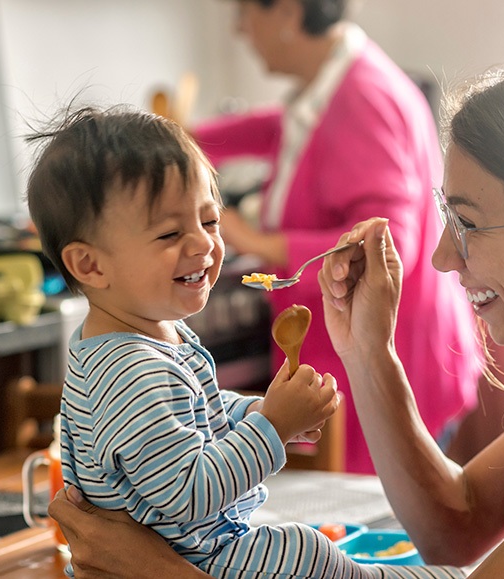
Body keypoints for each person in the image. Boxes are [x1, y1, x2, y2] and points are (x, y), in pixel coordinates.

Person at [49, 53, 504, 577]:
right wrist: (366, 349)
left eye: (466, 224)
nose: (442, 256)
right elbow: (455, 522)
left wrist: (154, 569)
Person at [25, 104, 463, 578]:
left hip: (187, 559)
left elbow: (197, 413)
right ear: (90, 266)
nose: (204, 245)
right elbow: (187, 495)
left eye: (210, 221)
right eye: (171, 232)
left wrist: (256, 412)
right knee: (304, 552)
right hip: (188, 561)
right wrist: (272, 426)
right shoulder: (131, 369)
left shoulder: (149, 338)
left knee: (307, 551)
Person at [193, 0, 481, 473]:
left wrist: (256, 242)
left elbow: (389, 246)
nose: (241, 30)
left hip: (395, 360)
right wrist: (177, 138)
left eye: (246, 12)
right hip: (378, 359)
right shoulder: (335, 82)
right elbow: (279, 131)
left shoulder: (364, 97)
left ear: (286, 12)